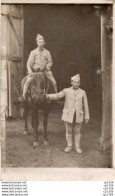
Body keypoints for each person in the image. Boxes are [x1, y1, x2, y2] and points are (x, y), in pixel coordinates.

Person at [46, 74, 90, 153]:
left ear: (79, 83)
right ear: (71, 83)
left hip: (78, 115)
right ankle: (69, 146)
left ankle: (78, 147)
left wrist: (87, 116)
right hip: (68, 114)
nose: (76, 84)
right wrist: (48, 96)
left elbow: (86, 105)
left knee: (77, 131)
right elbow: (58, 96)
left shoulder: (83, 92)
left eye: (78, 82)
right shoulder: (66, 91)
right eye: (74, 82)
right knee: (68, 130)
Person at [19, 34, 57, 101]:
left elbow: (50, 62)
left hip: (45, 71)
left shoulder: (47, 52)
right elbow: (29, 63)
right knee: (27, 82)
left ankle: (56, 96)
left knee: (53, 82)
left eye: (42, 42)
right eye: (39, 42)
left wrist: (47, 67)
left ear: (44, 43)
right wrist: (30, 71)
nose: (41, 44)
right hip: (35, 72)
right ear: (37, 43)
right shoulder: (33, 52)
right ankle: (23, 95)